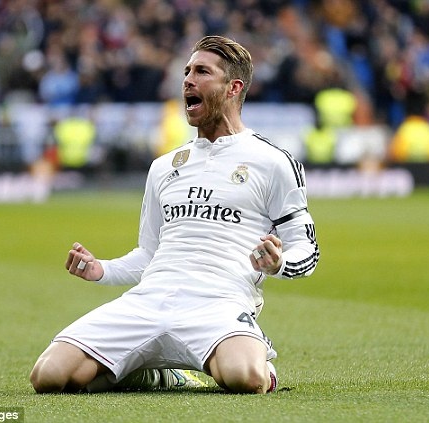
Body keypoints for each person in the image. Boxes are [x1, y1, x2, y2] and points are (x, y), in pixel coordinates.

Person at [30, 36, 320, 394]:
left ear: (234, 87)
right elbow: (148, 254)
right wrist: (101, 269)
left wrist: (279, 263)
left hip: (218, 303)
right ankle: (158, 375)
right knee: (49, 376)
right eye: (186, 72)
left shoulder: (272, 161)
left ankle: (259, 361)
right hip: (149, 301)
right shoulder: (164, 167)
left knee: (246, 377)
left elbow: (307, 249)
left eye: (202, 72)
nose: (187, 81)